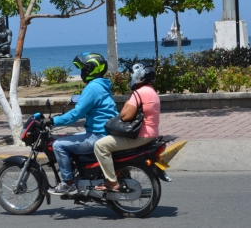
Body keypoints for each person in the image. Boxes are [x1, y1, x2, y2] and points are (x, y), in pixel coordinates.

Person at [38, 52, 118, 196]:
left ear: (92, 69)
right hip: (104, 132)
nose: (81, 72)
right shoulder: (101, 85)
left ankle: (68, 183)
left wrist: (53, 120)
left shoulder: (92, 88)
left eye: (83, 69)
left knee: (59, 145)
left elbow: (76, 114)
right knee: (72, 137)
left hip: (98, 135)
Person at [94, 61, 160, 191]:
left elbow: (125, 116)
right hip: (152, 134)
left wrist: (126, 105)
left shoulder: (139, 93)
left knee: (100, 146)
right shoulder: (151, 91)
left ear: (138, 75)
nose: (130, 77)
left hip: (140, 135)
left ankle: (112, 182)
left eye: (131, 74)